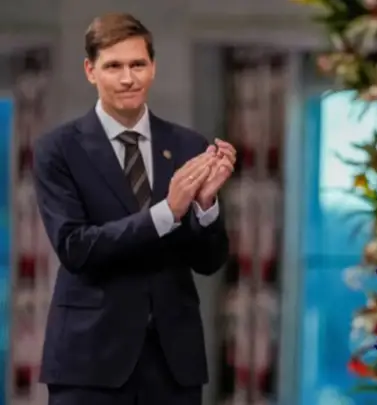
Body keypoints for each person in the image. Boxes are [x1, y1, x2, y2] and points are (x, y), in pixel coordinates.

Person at [32, 13, 234, 405]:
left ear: (153, 67)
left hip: (173, 364)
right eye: (114, 66)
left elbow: (209, 262)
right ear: (90, 71)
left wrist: (205, 205)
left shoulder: (189, 146)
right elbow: (75, 248)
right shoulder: (57, 149)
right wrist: (167, 212)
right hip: (90, 362)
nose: (128, 78)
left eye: (138, 64)